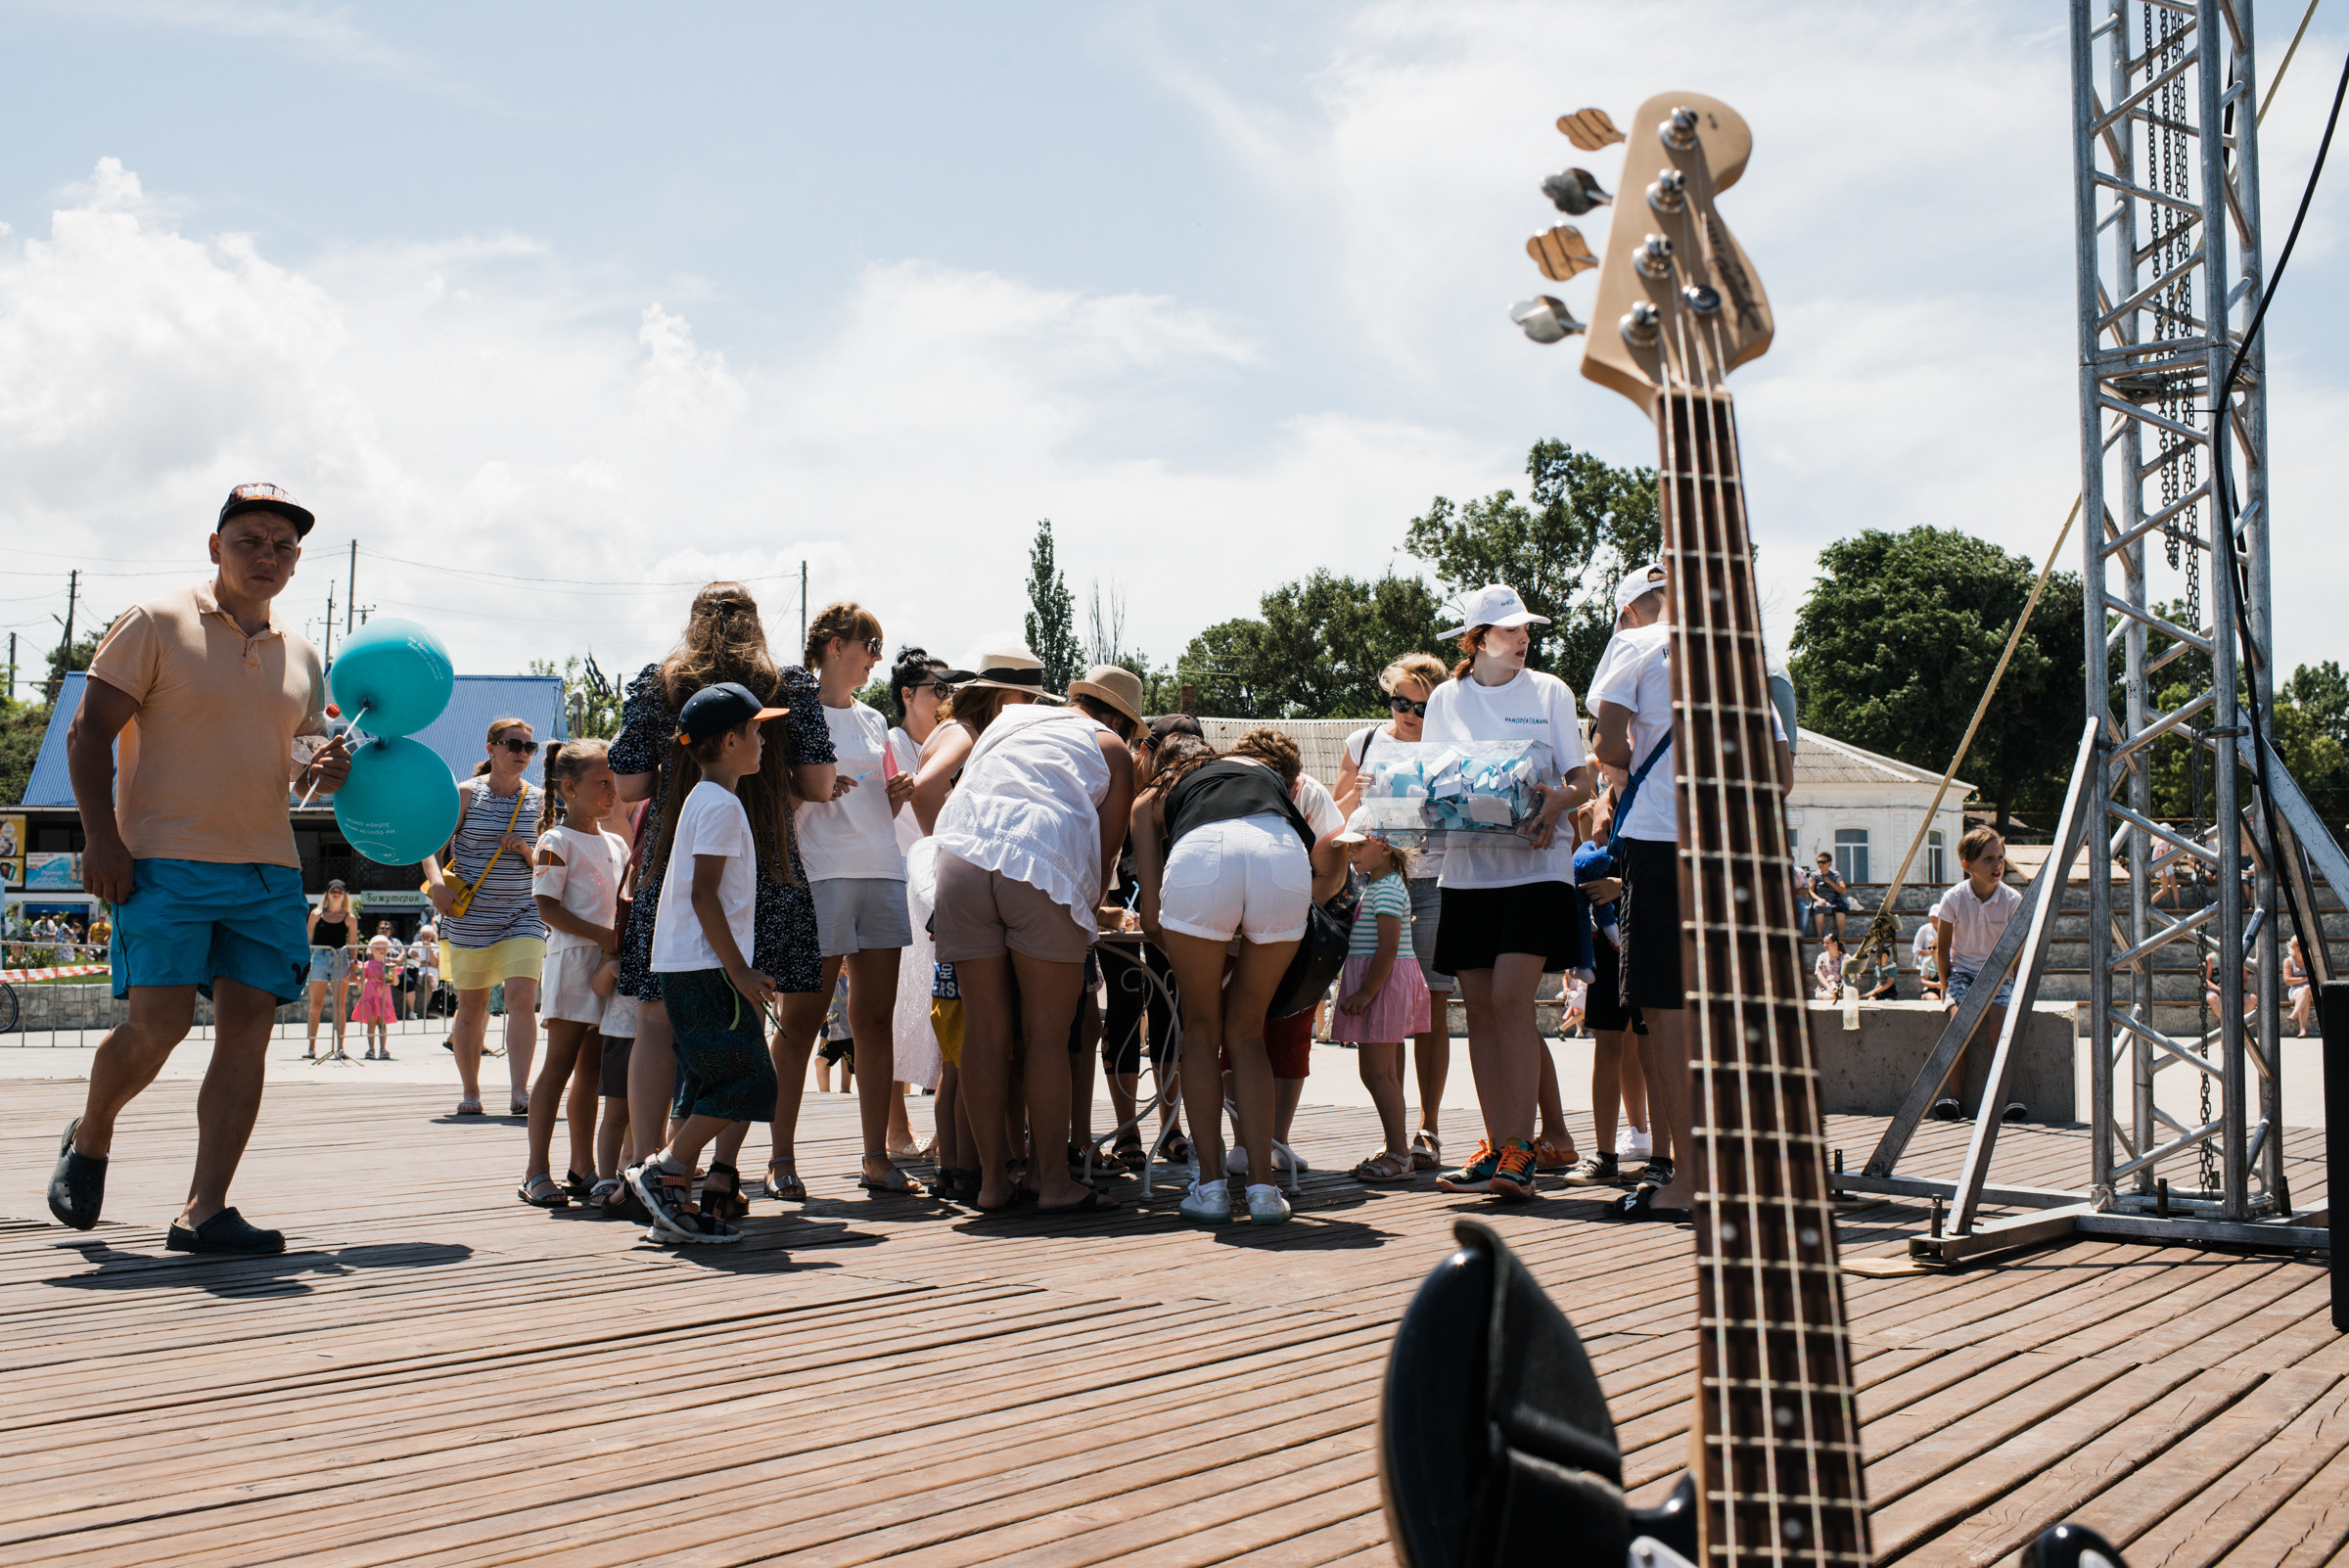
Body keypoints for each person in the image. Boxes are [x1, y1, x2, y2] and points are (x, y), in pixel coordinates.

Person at [47, 482, 347, 1255]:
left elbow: (300, 764)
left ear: (297, 561)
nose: (266, 556)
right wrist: (101, 838)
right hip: (162, 861)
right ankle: (93, 1133)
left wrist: (326, 768)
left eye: (282, 546)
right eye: (249, 540)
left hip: (267, 869)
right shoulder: (156, 622)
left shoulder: (303, 653)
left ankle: (204, 1210)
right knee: (158, 1028)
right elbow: (87, 734)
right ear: (216, 546)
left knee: (249, 1034)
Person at [608, 583, 833, 1211]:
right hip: (766, 864)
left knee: (655, 1024)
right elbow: (816, 783)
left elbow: (629, 783)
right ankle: (721, 1175)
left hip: (673, 866)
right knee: (747, 1021)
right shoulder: (787, 682)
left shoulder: (660, 682)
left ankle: (645, 1165)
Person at [929, 649, 1135, 1216]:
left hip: (962, 854)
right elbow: (1104, 853)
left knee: (985, 1032)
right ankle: (1053, 1180)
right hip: (1040, 857)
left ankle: (992, 1181)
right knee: (1046, 1036)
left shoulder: (1009, 722)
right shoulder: (1111, 747)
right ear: (1115, 719)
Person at [1133, 732, 1347, 1225]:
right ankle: (1263, 1191)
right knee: (1248, 1035)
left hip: (1204, 856)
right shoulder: (1271, 780)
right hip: (1281, 855)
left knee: (1202, 1032)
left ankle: (1209, 1187)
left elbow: (1149, 922)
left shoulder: (1153, 795)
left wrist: (1196, 951)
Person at [1422, 584, 1591, 1205]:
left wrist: (1555, 803)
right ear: (1477, 640)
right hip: (1466, 873)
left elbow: (1582, 778)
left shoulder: (1551, 691)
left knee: (1510, 1001)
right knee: (1481, 1011)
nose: (1523, 638)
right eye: (1510, 629)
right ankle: (1498, 1146)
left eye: (1526, 629)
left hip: (1537, 869)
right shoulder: (1446, 697)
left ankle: (1523, 1147)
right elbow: (1434, 781)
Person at [625, 682, 792, 1245]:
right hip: (708, 967)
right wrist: (739, 971)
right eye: (756, 729)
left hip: (691, 963)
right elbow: (704, 894)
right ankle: (667, 1167)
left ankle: (672, 1205)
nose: (763, 739)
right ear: (729, 739)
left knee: (705, 1083)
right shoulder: (720, 804)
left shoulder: (705, 797)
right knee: (748, 1080)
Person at [771, 603, 922, 1198]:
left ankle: (875, 1157)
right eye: (870, 644)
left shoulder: (873, 721)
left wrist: (895, 797)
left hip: (881, 868)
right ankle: (781, 1158)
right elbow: (774, 796)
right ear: (834, 645)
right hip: (821, 875)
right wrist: (805, 788)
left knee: (875, 1020)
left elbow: (866, 807)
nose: (876, 658)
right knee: (800, 1022)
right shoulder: (792, 713)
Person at [520, 738, 625, 1210]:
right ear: (568, 788)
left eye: (613, 781)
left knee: (593, 1070)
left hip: (608, 964)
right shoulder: (554, 841)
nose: (612, 790)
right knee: (558, 1066)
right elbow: (547, 908)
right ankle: (535, 1171)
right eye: (602, 782)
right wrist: (604, 938)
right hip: (573, 963)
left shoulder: (617, 842)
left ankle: (583, 1166)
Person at [424, 717, 548, 1118]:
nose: (522, 753)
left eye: (529, 748)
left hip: (523, 913)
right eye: (514, 744)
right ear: (491, 747)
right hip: (469, 915)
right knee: (472, 1006)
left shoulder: (540, 800)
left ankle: (519, 1092)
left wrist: (527, 853)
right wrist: (436, 886)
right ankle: (471, 1090)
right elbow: (431, 846)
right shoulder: (463, 794)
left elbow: (549, 860)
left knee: (521, 999)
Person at [1098, 714, 1197, 1170]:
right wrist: (1110, 908)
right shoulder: (1120, 783)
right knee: (1122, 1006)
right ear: (1146, 751)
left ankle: (1171, 1125)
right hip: (1116, 913)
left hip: (1165, 917)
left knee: (1169, 1011)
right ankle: (1126, 1128)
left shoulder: (1187, 793)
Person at [1562, 774, 1650, 1189]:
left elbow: (1669, 867)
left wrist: (1621, 887)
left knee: (1652, 1047)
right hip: (1605, 947)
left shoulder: (1654, 790)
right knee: (1609, 1045)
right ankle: (1604, 1153)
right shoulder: (1602, 799)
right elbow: (1584, 862)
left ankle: (1664, 1154)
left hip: (1647, 937)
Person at [1333, 820, 1431, 1184]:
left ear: (1385, 848)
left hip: (1383, 988)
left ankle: (1399, 1153)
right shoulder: (1382, 886)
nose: (1351, 852)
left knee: (1376, 1073)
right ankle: (1396, 1146)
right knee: (1382, 1073)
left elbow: (1388, 949)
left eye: (1359, 845)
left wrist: (1365, 993)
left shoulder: (1385, 890)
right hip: (1383, 987)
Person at [885, 646, 951, 1151]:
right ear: (908, 695)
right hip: (899, 886)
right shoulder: (888, 744)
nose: (946, 698)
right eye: (937, 689)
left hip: (943, 888)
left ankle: (946, 1127)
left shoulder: (957, 743)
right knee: (894, 1012)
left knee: (941, 1008)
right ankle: (895, 1127)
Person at [1930, 826, 2027, 1123]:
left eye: (2000, 858)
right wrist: (1947, 989)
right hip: (1962, 973)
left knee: (1998, 1026)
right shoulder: (1954, 898)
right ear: (1967, 866)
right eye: (1988, 859)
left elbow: (2019, 952)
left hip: (1997, 974)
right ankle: (1955, 1098)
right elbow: (1943, 949)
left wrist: (2017, 987)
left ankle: (2003, 1099)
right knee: (1959, 1024)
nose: (1997, 865)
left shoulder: (2012, 900)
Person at [303, 879, 356, 1059]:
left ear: (344, 895)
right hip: (319, 957)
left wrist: (354, 966)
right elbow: (308, 939)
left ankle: (340, 1047)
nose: (336, 894)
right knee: (315, 1005)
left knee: (339, 1006)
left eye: (339, 891)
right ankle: (311, 1048)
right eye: (333, 891)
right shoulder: (316, 914)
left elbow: (354, 944)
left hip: (340, 959)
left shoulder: (349, 917)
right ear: (327, 893)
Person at [352, 934, 397, 1058]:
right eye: (377, 947)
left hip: (384, 999)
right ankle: (371, 1049)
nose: (381, 950)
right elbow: (361, 979)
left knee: (382, 1024)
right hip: (370, 999)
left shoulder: (389, 965)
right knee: (371, 1024)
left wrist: (394, 975)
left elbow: (395, 982)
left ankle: (383, 1048)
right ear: (371, 950)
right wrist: (353, 977)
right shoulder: (368, 964)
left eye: (384, 947)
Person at [1808, 853, 1854, 941]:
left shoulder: (1835, 875)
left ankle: (1841, 937)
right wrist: (1819, 899)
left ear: (1829, 863)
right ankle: (1819, 936)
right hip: (1821, 899)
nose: (1820, 864)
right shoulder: (1814, 875)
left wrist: (1830, 882)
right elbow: (1810, 891)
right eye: (1819, 862)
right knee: (1818, 907)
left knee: (1840, 908)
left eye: (1823, 862)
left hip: (1834, 899)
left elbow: (1842, 890)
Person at [2287, 935, 2313, 1038]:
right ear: (2292, 947)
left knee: (2306, 989)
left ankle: (2294, 1014)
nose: (2300, 947)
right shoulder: (2289, 961)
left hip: (2312, 989)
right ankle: (2303, 1030)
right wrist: (2306, 979)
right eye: (2297, 945)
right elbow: (2288, 980)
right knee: (2304, 995)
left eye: (2303, 945)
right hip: (2296, 990)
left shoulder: (2312, 959)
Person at [1911, 918, 1942, 1001]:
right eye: (1930, 948)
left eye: (1934, 948)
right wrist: (1937, 985)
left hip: (1944, 988)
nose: (1931, 950)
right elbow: (1923, 980)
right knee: (1934, 998)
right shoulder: (1927, 962)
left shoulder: (1946, 961)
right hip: (1931, 989)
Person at [1814, 931, 1847, 1001]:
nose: (1825, 945)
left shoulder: (1845, 957)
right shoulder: (1821, 957)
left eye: (1827, 943)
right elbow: (1819, 974)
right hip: (1825, 987)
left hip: (1842, 987)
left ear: (1835, 943)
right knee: (1831, 997)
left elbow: (1854, 973)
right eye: (1824, 943)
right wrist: (1828, 987)